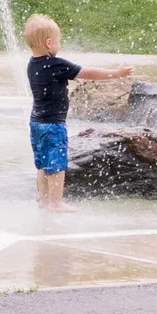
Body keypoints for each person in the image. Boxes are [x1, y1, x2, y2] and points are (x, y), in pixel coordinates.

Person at [25, 11, 129, 209]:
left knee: (43, 163)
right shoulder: (56, 64)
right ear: (49, 43)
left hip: (36, 123)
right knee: (56, 164)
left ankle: (44, 200)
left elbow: (51, 80)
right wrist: (116, 73)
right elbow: (88, 72)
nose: (59, 44)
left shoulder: (33, 64)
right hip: (53, 125)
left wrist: (69, 77)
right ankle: (56, 203)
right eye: (58, 41)